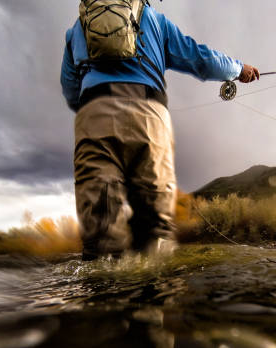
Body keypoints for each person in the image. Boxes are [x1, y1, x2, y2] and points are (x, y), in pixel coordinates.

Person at [61, 1, 259, 260]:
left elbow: (69, 88)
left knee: (100, 225)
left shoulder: (77, 28)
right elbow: (199, 58)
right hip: (149, 116)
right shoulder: (155, 20)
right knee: (155, 230)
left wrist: (94, 109)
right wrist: (237, 69)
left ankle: (103, 289)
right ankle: (155, 292)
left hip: (95, 116)